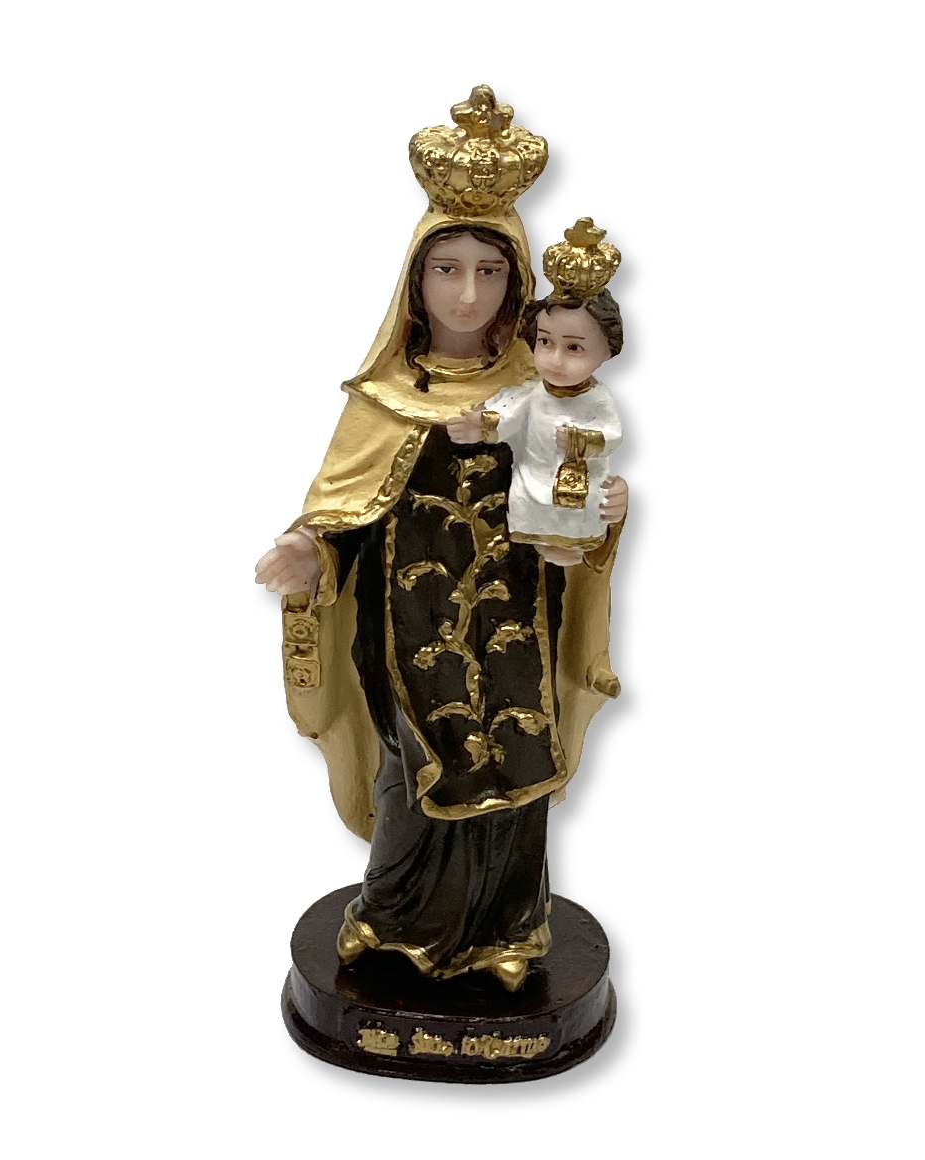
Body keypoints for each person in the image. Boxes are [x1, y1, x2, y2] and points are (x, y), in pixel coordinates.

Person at [255, 88, 627, 991]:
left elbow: (571, 500)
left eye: (490, 271)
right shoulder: (383, 402)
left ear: (519, 281)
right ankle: (394, 915)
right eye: (447, 269)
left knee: (514, 773)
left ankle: (510, 931)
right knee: (414, 775)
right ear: (413, 282)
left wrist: (604, 521)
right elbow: (346, 513)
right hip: (409, 633)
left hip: (514, 631)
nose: (468, 293)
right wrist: (312, 552)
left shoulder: (540, 394)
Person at [449, 218, 625, 569]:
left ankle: (570, 545)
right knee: (527, 501)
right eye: (545, 342)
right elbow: (510, 415)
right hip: (533, 478)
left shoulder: (597, 398)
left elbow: (612, 435)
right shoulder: (533, 393)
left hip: (576, 480)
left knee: (584, 507)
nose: (555, 360)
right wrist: (480, 425)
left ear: (607, 350)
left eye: (574, 348)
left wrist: (581, 440)